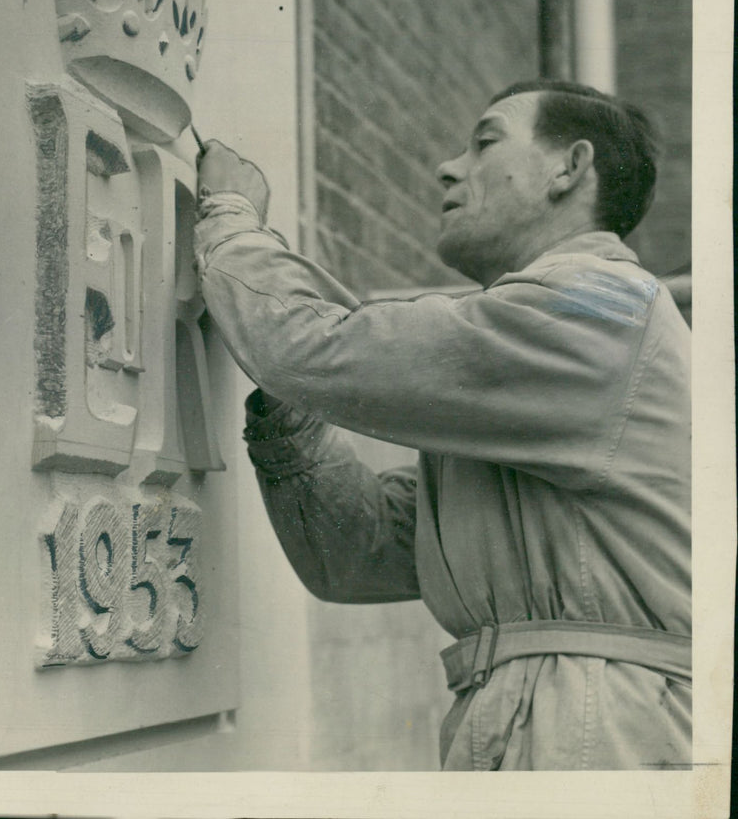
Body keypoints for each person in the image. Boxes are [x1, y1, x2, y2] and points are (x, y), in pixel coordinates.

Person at [192, 79, 691, 771]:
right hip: (557, 719)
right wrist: (285, 393)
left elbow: (318, 347)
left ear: (570, 168)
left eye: (484, 142)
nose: (448, 166)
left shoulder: (596, 310)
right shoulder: (524, 375)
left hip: (601, 728)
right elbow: (358, 553)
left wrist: (231, 217)